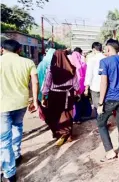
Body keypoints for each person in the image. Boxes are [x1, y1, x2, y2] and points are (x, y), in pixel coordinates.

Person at [1, 39, 39, 182]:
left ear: (2, 49)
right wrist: (35, 101)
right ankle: (16, 155)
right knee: (17, 127)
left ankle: (9, 173)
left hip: (2, 105)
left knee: (4, 139)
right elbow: (35, 82)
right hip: (21, 103)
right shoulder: (27, 62)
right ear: (19, 50)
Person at [97, 39, 119, 162]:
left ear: (109, 49)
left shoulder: (104, 62)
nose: (105, 51)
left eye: (105, 49)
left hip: (110, 98)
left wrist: (100, 103)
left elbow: (103, 82)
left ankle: (110, 152)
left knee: (101, 123)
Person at [41, 50, 80, 146]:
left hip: (54, 96)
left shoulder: (51, 70)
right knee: (67, 114)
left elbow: (46, 85)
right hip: (68, 95)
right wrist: (77, 92)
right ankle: (68, 134)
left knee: (55, 115)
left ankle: (60, 134)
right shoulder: (72, 69)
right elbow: (76, 86)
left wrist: (44, 96)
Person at [70, 50, 91, 123]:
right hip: (83, 85)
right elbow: (87, 74)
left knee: (76, 103)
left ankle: (76, 117)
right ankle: (83, 114)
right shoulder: (84, 64)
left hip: (75, 86)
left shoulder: (70, 65)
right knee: (82, 100)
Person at [84, 42, 105, 117]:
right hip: (105, 86)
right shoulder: (106, 58)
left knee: (97, 106)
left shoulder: (92, 59)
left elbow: (89, 74)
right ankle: (103, 122)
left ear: (93, 49)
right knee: (103, 105)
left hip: (95, 87)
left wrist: (86, 88)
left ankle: (100, 124)